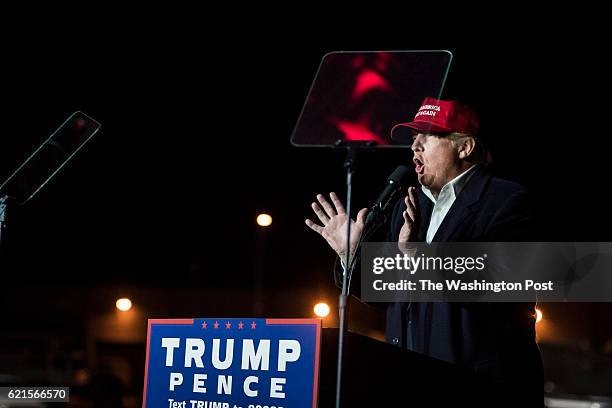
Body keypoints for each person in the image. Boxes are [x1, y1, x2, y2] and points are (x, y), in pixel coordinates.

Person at [305, 97, 544, 406]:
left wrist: (417, 257)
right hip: (412, 382)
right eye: (413, 139)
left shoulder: (506, 201)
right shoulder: (410, 206)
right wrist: (351, 256)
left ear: (465, 147)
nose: (414, 146)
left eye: (427, 137)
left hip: (480, 390)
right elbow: (387, 295)